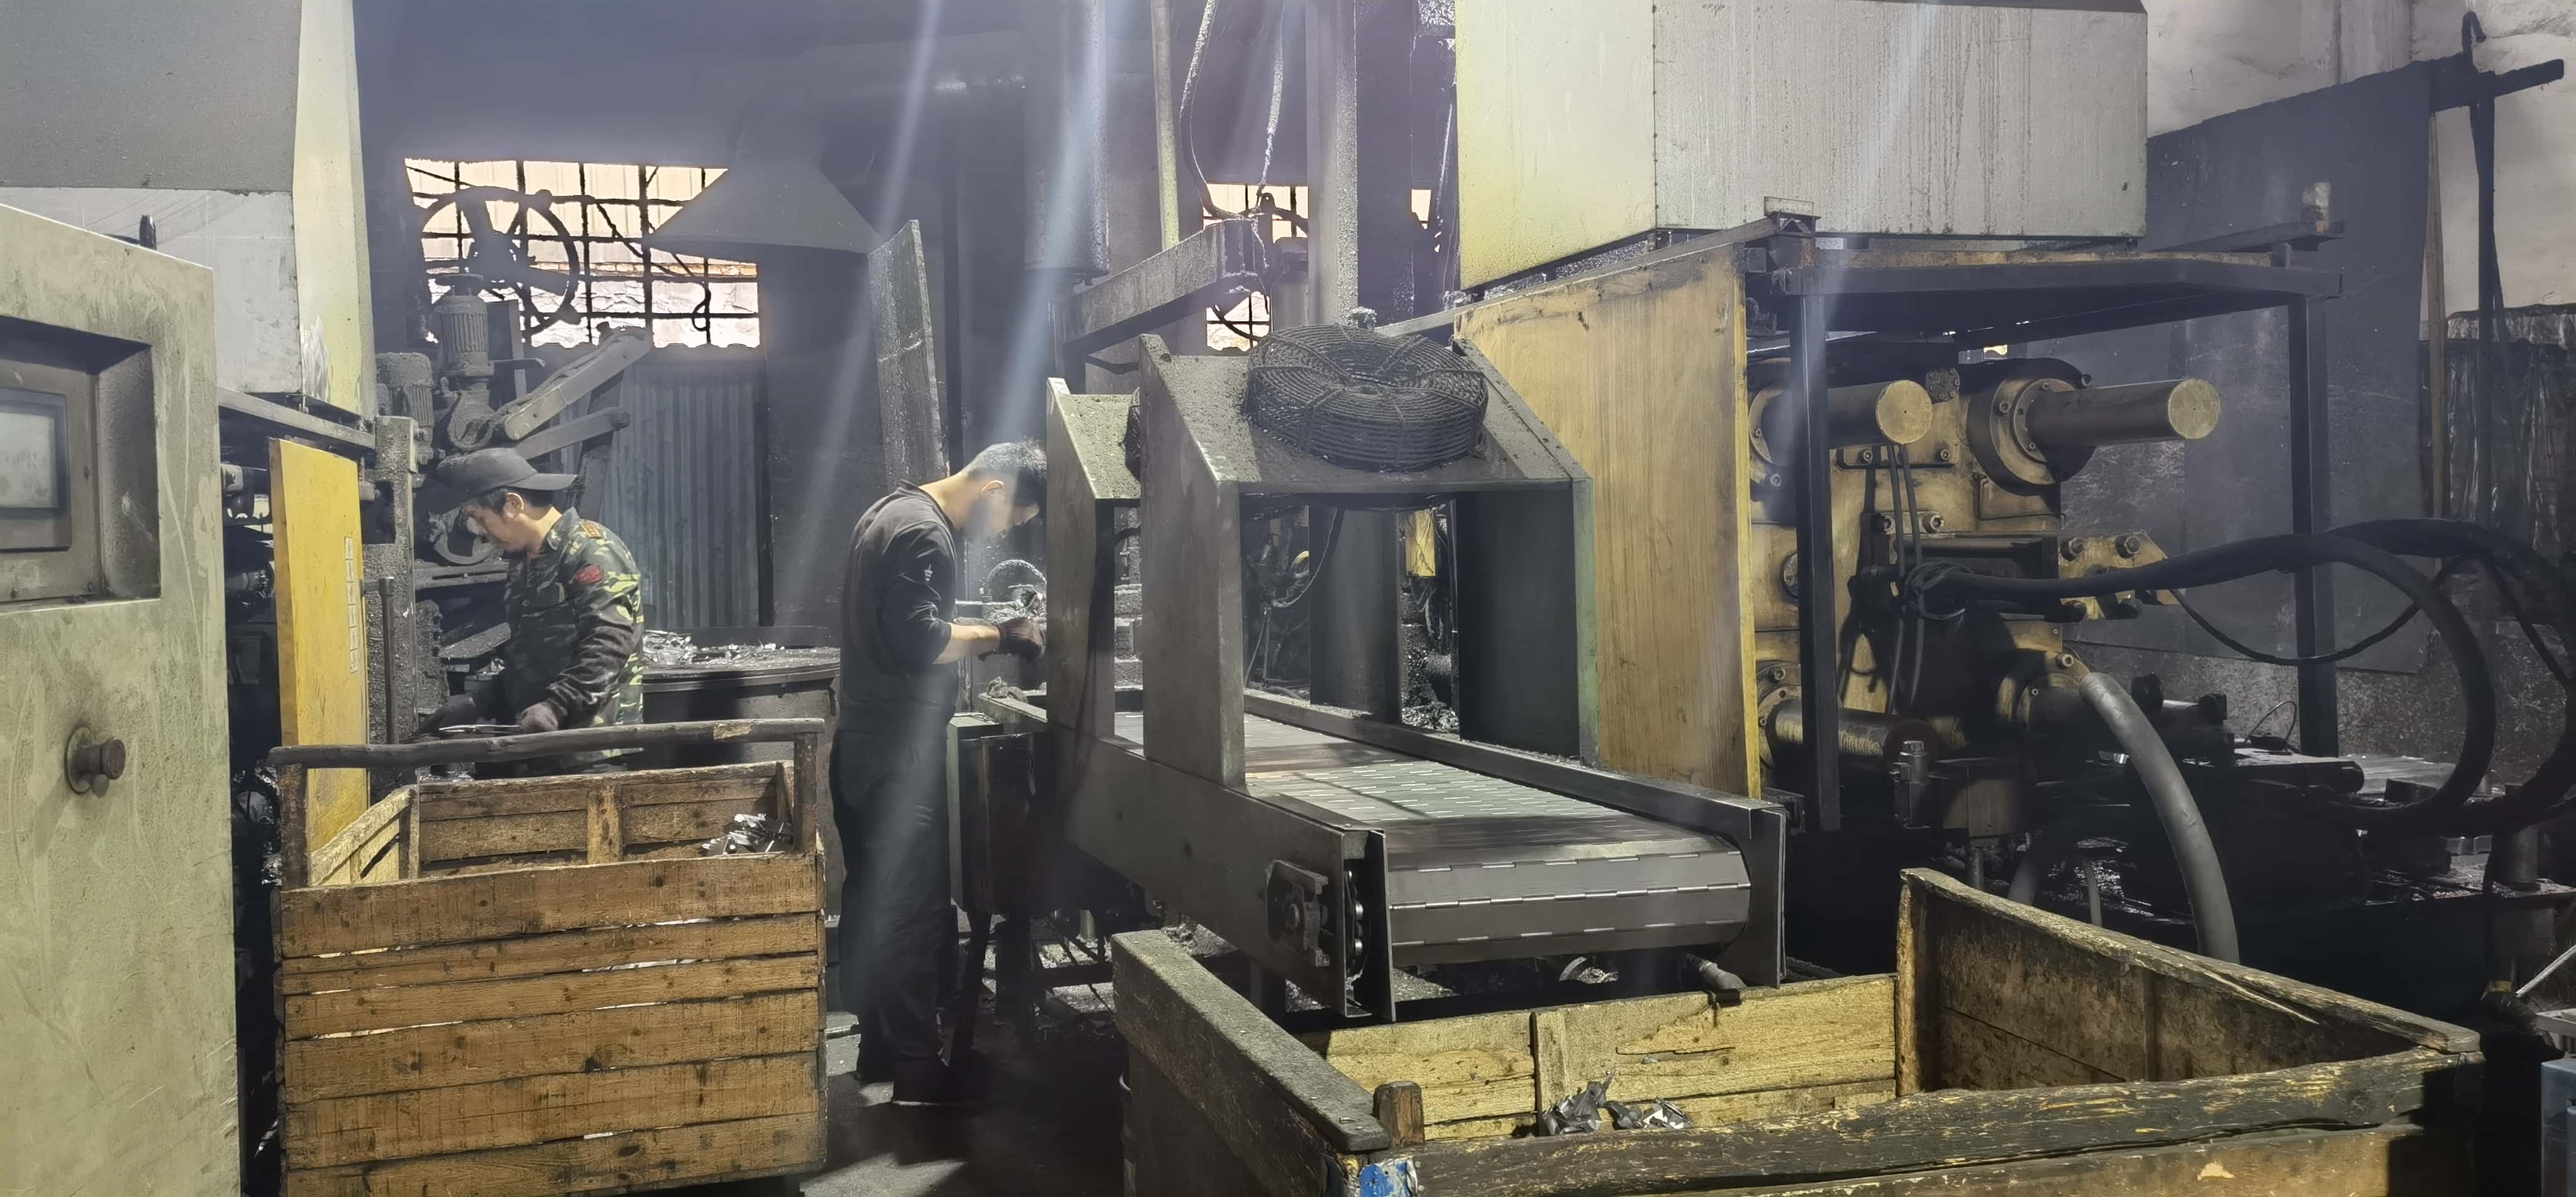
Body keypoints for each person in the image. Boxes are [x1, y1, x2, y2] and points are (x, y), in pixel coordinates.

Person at [838, 441, 1045, 1105]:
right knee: (914, 910)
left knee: (876, 898)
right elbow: (920, 639)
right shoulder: (926, 532)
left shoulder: (889, 511)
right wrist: (1005, 635)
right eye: (1013, 518)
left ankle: (879, 1050)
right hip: (899, 754)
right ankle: (918, 1074)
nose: (1005, 532)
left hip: (863, 745)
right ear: (994, 490)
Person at [421, 448, 647, 776]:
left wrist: (556, 707)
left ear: (513, 504)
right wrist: (480, 702)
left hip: (588, 751)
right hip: (539, 746)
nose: (481, 533)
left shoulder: (590, 550)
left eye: (481, 519)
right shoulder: (523, 566)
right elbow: (530, 659)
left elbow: (609, 643)